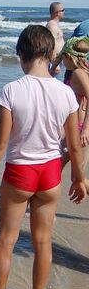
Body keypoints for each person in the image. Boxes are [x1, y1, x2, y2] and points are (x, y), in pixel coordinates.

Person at [0, 25, 86, 289]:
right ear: (50, 54)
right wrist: (79, 178)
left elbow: (0, 142)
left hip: (20, 173)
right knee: (43, 242)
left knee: (6, 239)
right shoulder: (65, 93)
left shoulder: (12, 90)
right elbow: (74, 145)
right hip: (50, 173)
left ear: (20, 55)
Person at [60, 36, 89, 193]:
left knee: (78, 178)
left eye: (63, 58)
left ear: (69, 57)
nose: (62, 62)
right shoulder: (81, 69)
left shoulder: (78, 73)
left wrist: (85, 128)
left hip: (80, 130)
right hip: (74, 129)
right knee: (57, 168)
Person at [46, 2, 65, 74]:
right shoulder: (52, 26)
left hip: (58, 59)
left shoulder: (55, 25)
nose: (64, 12)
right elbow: (50, 44)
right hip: (54, 60)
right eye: (62, 10)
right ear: (57, 12)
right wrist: (54, 64)